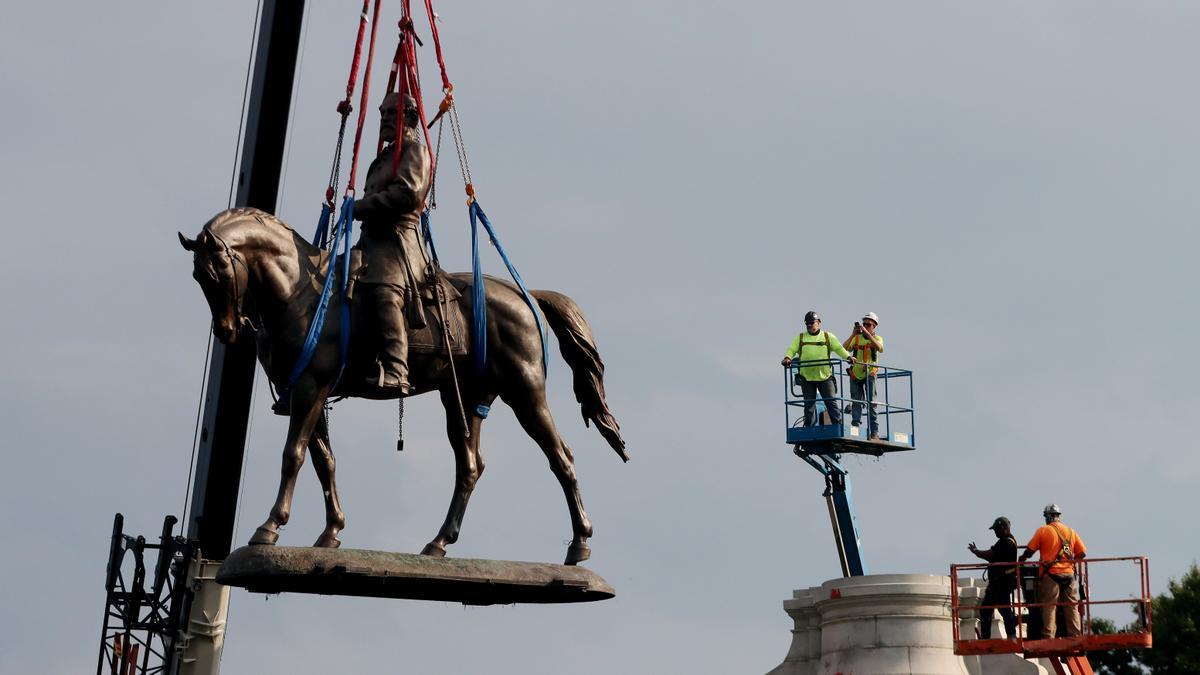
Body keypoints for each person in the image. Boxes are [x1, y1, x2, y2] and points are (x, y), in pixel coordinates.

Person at [352, 92, 433, 395]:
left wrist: (359, 207)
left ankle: (398, 369)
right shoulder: (383, 159)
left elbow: (406, 194)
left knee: (385, 293)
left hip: (398, 243)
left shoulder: (415, 152)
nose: (384, 119)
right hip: (370, 241)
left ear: (410, 119)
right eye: (382, 113)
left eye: (391, 114)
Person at [1018, 503, 1087, 638]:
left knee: (1049, 606)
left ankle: (1048, 636)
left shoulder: (1043, 531)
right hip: (1069, 575)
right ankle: (1075, 636)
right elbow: (1083, 553)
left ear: (1048, 517)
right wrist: (1072, 560)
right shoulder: (1071, 532)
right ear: (1058, 516)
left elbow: (1030, 551)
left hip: (1051, 575)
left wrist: (1021, 559)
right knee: (1071, 607)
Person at [782, 311, 855, 428]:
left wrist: (848, 357)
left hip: (825, 377)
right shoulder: (800, 338)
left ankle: (838, 427)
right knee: (809, 405)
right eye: (807, 323)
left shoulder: (828, 337)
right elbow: (791, 349)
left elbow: (839, 348)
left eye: (812, 322)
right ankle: (809, 429)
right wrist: (787, 357)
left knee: (831, 402)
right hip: (807, 378)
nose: (810, 325)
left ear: (819, 322)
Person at [968, 516, 1019, 639]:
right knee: (993, 609)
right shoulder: (1008, 541)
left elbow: (991, 555)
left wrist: (977, 552)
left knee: (995, 610)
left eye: (996, 529)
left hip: (1000, 583)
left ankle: (1006, 635)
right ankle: (1009, 635)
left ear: (1003, 527)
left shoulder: (1006, 542)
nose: (995, 532)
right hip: (1001, 583)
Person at [842, 312, 884, 440]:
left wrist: (867, 334)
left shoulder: (878, 338)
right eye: (864, 324)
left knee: (872, 403)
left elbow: (880, 348)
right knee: (856, 402)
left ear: (874, 326)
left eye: (868, 324)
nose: (865, 326)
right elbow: (844, 349)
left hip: (870, 374)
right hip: (856, 374)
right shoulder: (856, 338)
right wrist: (853, 334)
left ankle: (874, 432)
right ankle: (855, 429)